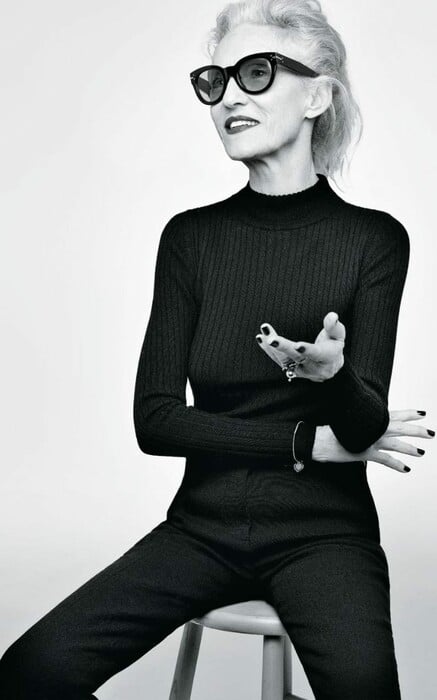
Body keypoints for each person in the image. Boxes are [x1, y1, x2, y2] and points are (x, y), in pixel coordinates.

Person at [0, 1, 434, 698]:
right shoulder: (190, 239)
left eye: (256, 73)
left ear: (317, 96)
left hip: (325, 537)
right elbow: (155, 421)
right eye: (215, 80)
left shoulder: (374, 240)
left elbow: (362, 429)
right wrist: (304, 440)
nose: (229, 95)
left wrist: (331, 378)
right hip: (201, 530)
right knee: (27, 675)